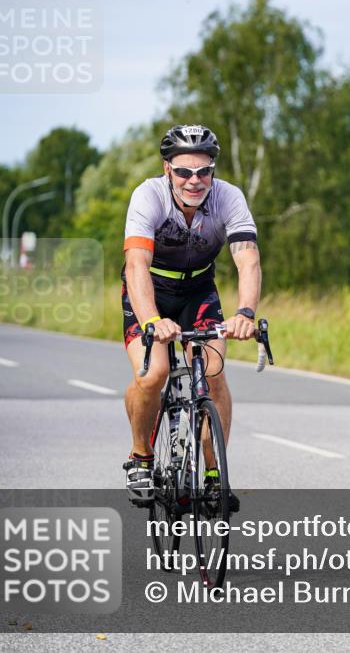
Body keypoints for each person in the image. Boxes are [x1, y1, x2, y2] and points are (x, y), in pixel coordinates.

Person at [121, 124, 261, 510]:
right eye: (184, 171)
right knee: (153, 374)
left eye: (204, 171)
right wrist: (151, 320)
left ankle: (215, 475)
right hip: (149, 289)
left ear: (213, 170)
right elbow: (136, 265)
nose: (194, 180)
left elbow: (247, 258)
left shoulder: (229, 198)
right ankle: (140, 457)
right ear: (168, 169)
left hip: (198, 290)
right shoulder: (148, 196)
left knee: (214, 373)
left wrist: (245, 313)